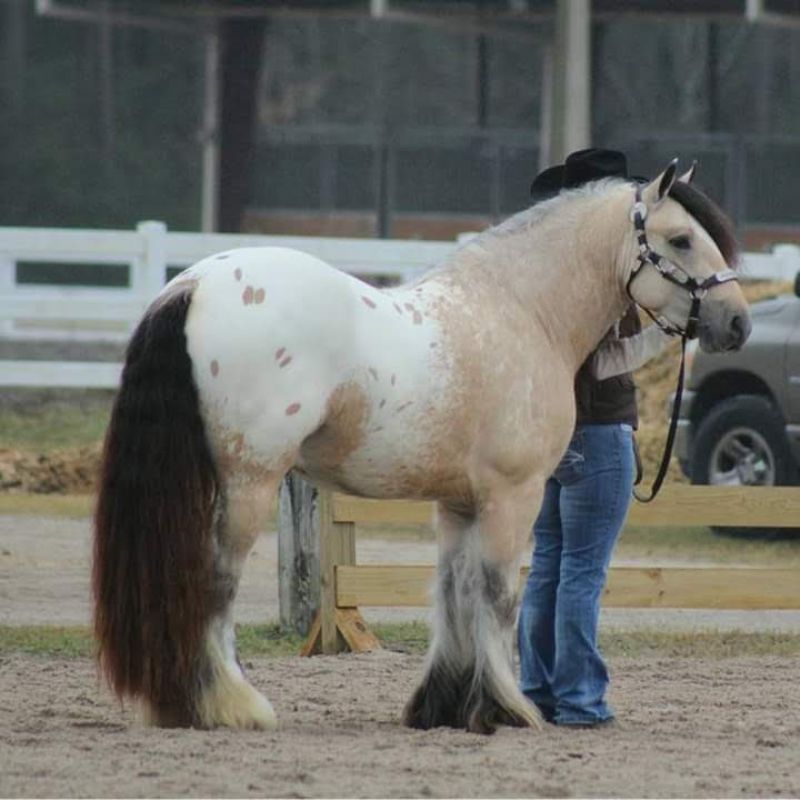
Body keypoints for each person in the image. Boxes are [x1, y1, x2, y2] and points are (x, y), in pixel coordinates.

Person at [517, 149, 673, 728]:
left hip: (551, 432)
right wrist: (671, 333)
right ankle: (581, 699)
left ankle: (536, 690)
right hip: (599, 427)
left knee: (549, 565)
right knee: (582, 571)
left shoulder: (545, 274)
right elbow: (606, 361)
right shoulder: (602, 280)